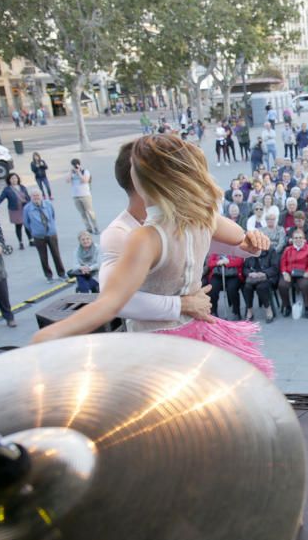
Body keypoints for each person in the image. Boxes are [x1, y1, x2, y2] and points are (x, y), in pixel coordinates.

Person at [31, 134, 272, 376]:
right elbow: (239, 235)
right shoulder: (203, 218)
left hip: (159, 351)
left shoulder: (146, 237)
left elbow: (111, 302)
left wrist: (51, 333)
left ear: (141, 181)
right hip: (197, 335)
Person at [95, 140, 257, 332]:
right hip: (155, 343)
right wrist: (183, 305)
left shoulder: (179, 219)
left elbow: (224, 241)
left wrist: (246, 249)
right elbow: (113, 300)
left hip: (194, 329)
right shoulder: (120, 233)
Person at [22, 188, 66, 282]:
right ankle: (48, 276)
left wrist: (51, 227)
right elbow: (26, 223)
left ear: (41, 196)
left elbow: (52, 216)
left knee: (56, 254)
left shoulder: (48, 204)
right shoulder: (27, 208)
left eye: (38, 195)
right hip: (38, 236)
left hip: (51, 233)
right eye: (34, 196)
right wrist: (35, 230)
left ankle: (61, 273)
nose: (36, 197)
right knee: (43, 256)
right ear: (31, 197)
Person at [278, 228, 308, 318]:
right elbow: (283, 262)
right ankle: (287, 306)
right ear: (292, 239)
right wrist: (284, 273)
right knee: (282, 285)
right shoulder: (288, 249)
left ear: (303, 239)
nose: (298, 239)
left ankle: (307, 307)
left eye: (300, 237)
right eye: (296, 238)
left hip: (303, 273)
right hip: (289, 272)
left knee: (305, 285)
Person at [0, 172, 31, 249]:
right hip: (15, 210)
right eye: (12, 178)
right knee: (18, 226)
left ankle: (31, 240)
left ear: (18, 179)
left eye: (15, 178)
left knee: (27, 225)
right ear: (9, 180)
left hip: (24, 208)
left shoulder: (22, 187)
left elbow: (28, 198)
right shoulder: (7, 189)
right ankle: (21, 242)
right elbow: (0, 199)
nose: (14, 180)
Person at [242, 243, 280, 323]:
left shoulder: (271, 251)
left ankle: (268, 309)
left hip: (268, 277)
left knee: (261, 287)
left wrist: (264, 273)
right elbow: (245, 268)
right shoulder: (250, 251)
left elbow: (275, 267)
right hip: (253, 277)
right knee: (246, 287)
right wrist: (249, 273)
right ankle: (249, 310)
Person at [67, 158, 100, 234]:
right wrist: (70, 172)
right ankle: (88, 228)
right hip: (75, 196)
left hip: (85, 195)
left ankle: (95, 227)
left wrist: (78, 172)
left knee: (90, 212)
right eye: (73, 165)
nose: (75, 167)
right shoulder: (71, 173)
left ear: (79, 164)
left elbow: (85, 180)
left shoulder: (85, 171)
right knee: (82, 213)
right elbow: (67, 180)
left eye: (76, 165)